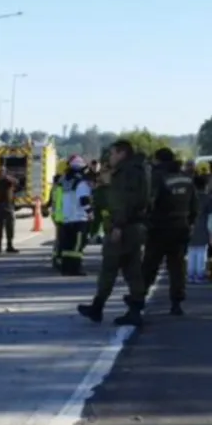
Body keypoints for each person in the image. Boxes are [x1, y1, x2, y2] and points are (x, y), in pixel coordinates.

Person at [77, 139, 150, 326]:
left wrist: (117, 225)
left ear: (122, 153)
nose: (110, 157)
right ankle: (134, 309)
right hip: (134, 227)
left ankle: (97, 307)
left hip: (123, 228)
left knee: (110, 268)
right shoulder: (139, 171)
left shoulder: (125, 173)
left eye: (112, 153)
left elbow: (123, 201)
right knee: (132, 269)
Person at [140, 148, 199, 316]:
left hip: (159, 228)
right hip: (181, 228)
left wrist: (146, 221)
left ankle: (138, 298)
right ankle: (176, 303)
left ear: (159, 160)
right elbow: (194, 206)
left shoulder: (158, 177)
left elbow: (149, 203)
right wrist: (189, 223)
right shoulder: (187, 179)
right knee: (177, 267)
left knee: (150, 265)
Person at [58, 156, 92, 275]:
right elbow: (83, 199)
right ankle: (75, 268)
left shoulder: (65, 181)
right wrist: (90, 213)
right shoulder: (81, 182)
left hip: (67, 218)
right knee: (77, 246)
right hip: (79, 218)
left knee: (67, 246)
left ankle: (65, 268)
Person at [186, 175, 211, 283]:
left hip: (189, 227)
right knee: (201, 252)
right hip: (203, 228)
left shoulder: (189, 197)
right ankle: (199, 274)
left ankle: (190, 274)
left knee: (191, 252)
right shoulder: (208, 199)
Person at [48, 170, 65, 270]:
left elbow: (50, 202)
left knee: (58, 239)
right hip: (61, 216)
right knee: (61, 239)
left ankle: (56, 258)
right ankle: (58, 258)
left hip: (56, 215)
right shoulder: (60, 188)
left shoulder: (53, 188)